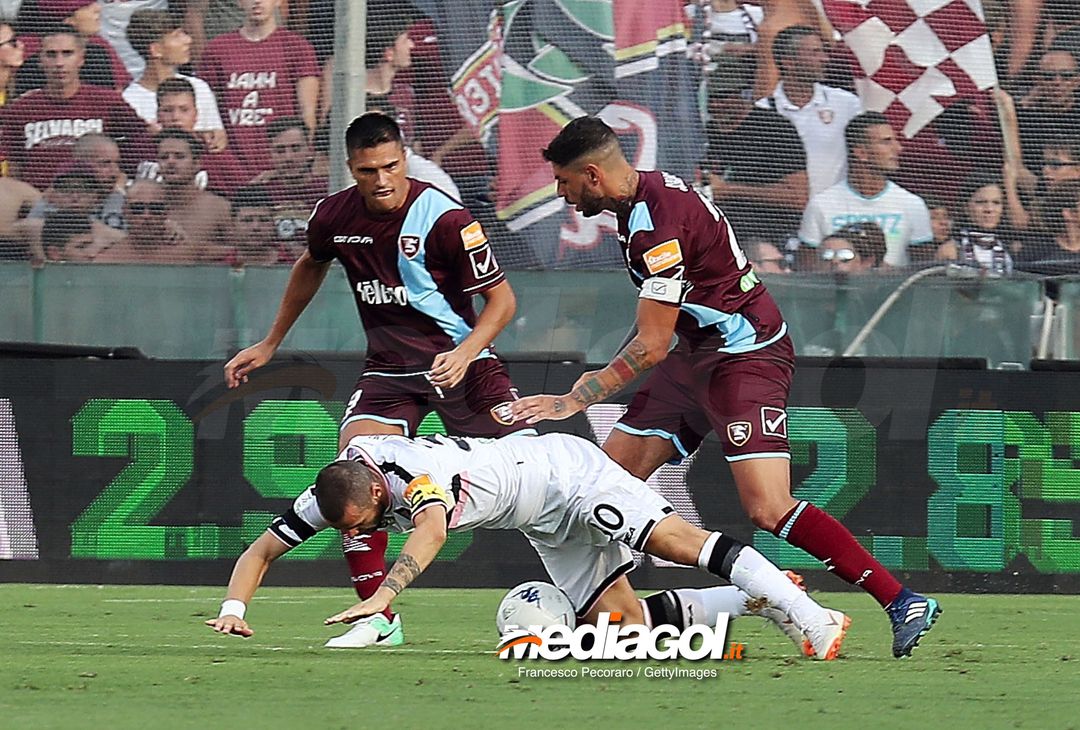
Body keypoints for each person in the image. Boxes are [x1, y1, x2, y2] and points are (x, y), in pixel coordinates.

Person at [510, 116, 941, 659]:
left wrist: (577, 398)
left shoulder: (654, 229)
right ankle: (625, 614)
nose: (562, 194)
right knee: (602, 483)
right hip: (694, 352)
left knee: (768, 506)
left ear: (592, 175)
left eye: (565, 183)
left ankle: (901, 600)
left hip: (744, 356)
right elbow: (660, 329)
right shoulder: (647, 196)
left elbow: (650, 347)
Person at [222, 112, 529, 649]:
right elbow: (310, 264)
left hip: (462, 366)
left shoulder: (447, 218)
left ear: (404, 159)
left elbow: (502, 302)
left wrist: (465, 352)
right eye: (369, 170)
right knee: (354, 474)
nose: (382, 179)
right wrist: (270, 341)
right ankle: (379, 619)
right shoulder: (333, 215)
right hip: (388, 371)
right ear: (351, 168)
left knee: (534, 471)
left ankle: (601, 590)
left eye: (391, 165)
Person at [206, 432, 851, 661]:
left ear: (380, 491)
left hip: (569, 476)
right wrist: (235, 610)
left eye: (368, 523)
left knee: (677, 541)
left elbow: (430, 529)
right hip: (541, 517)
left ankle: (816, 621)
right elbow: (257, 552)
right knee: (615, 624)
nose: (363, 535)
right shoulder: (337, 491)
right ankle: (754, 596)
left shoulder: (413, 478)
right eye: (350, 530)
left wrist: (385, 597)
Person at [0, 23, 149, 189]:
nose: (59, 63)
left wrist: (121, 180)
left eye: (67, 53)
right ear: (40, 60)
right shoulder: (21, 109)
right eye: (51, 55)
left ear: (81, 58)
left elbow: (142, 140)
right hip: (38, 206)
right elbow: (14, 168)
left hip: (95, 204)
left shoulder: (108, 101)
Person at [196, 0, 320, 172]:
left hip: (283, 162)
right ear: (239, 3)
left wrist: (300, 159)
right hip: (232, 160)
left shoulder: (297, 47)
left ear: (278, 2)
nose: (257, 2)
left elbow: (308, 112)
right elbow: (207, 112)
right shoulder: (217, 49)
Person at [799, 112, 933, 268]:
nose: (898, 148)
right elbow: (806, 269)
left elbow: (924, 270)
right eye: (886, 142)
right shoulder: (821, 205)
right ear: (861, 153)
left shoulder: (912, 205)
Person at [703, 55, 807, 245]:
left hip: (767, 236)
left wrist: (729, 190)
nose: (714, 105)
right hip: (710, 237)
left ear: (744, 94)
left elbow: (798, 197)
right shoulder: (699, 131)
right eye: (711, 98)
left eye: (723, 97)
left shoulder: (774, 128)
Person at [757, 25, 862, 197]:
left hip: (837, 213)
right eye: (815, 53)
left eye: (823, 51)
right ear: (788, 62)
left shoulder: (846, 103)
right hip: (787, 215)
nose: (824, 59)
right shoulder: (762, 112)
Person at [122, 9, 226, 153]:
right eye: (177, 36)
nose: (188, 40)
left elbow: (216, 142)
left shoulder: (199, 88)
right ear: (156, 50)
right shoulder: (129, 100)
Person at [247, 116, 328, 254]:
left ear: (310, 150)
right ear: (270, 154)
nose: (288, 158)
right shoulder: (259, 192)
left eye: (296, 149)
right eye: (280, 151)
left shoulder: (328, 190)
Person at [154, 129, 231, 259]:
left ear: (197, 164)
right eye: (164, 157)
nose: (170, 162)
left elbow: (242, 253)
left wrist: (195, 250)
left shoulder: (219, 209)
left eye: (179, 157)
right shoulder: (144, 208)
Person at [936, 175, 1016, 276]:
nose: (989, 209)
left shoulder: (1011, 248)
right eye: (981, 202)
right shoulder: (951, 250)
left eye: (996, 203)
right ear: (966, 207)